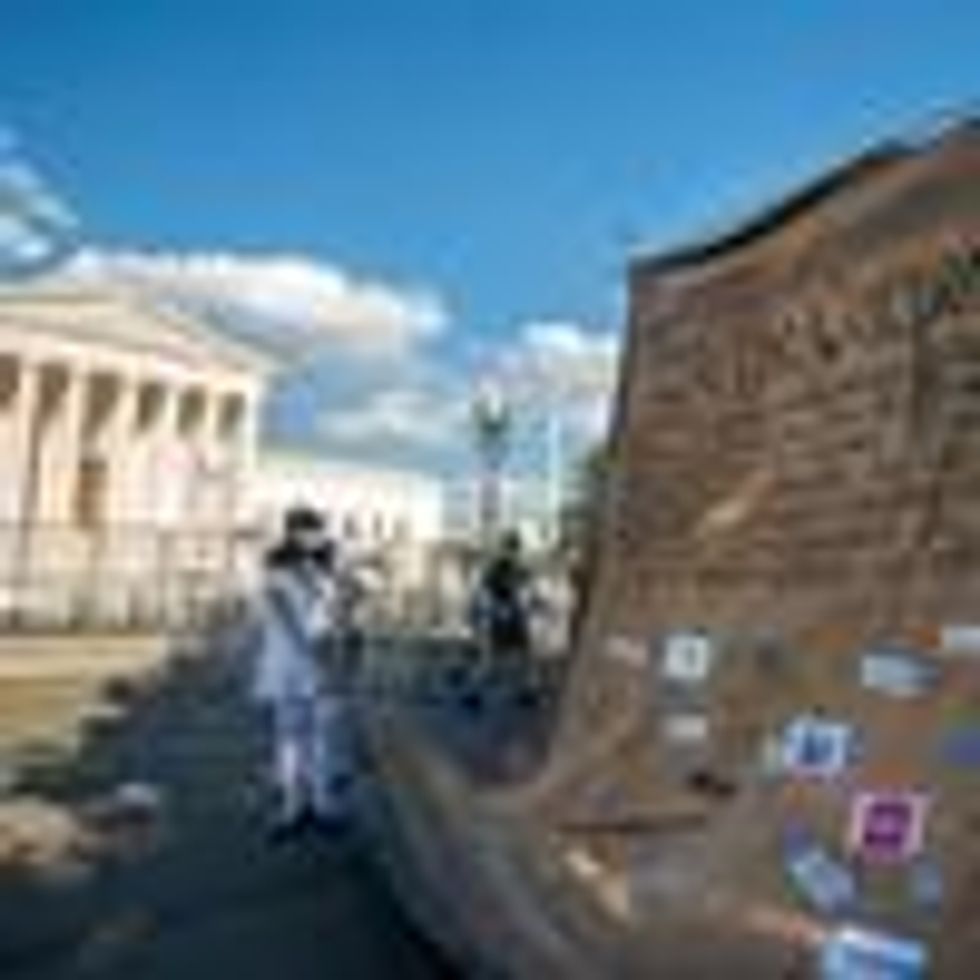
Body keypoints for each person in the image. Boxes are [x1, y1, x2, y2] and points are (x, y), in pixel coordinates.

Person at [249, 507, 353, 837]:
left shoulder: (327, 566)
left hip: (320, 658)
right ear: (293, 532)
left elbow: (336, 609)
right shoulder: (277, 566)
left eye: (317, 531)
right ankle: (292, 807)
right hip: (290, 660)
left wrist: (337, 640)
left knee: (323, 734)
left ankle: (323, 804)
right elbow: (284, 614)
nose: (314, 537)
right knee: (289, 737)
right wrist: (314, 651)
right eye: (308, 531)